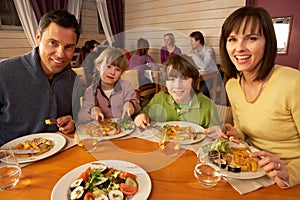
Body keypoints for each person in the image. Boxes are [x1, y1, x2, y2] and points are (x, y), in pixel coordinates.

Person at [218, 6, 300, 188]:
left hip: (288, 177)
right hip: (251, 170)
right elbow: (243, 128)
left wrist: (290, 172)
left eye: (252, 38)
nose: (239, 48)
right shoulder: (232, 84)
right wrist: (236, 133)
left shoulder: (293, 83)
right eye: (232, 39)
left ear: (268, 42)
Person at [0, 10, 81, 146]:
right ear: (38, 38)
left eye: (68, 47)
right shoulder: (3, 73)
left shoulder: (73, 79)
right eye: (53, 43)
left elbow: (76, 118)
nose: (60, 54)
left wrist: (71, 122)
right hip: (12, 162)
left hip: (61, 154)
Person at [134, 54, 219, 129]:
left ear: (193, 80)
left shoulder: (208, 106)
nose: (178, 85)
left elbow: (218, 136)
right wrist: (140, 117)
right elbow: (144, 115)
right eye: (171, 79)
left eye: (184, 78)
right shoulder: (159, 99)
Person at [77, 47, 141, 124]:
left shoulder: (126, 87)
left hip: (124, 130)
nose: (112, 72)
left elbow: (138, 108)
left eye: (117, 70)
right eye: (108, 67)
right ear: (98, 66)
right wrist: (92, 110)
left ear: (122, 73)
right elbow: (81, 117)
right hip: (102, 132)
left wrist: (131, 104)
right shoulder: (91, 91)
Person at [187, 31, 218, 98]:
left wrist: (194, 56)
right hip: (198, 77)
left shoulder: (209, 50)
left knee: (201, 91)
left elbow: (204, 66)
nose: (190, 42)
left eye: (192, 40)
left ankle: (206, 104)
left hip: (211, 77)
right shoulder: (193, 50)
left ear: (198, 41)